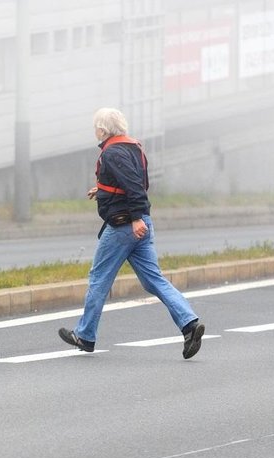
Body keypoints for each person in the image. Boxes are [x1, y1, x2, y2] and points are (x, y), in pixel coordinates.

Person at [58, 107, 205, 359]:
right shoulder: (130, 148)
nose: (94, 130)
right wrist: (102, 190)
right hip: (140, 223)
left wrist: (135, 218)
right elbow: (128, 182)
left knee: (98, 278)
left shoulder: (113, 152)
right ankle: (190, 325)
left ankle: (85, 335)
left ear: (103, 130)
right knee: (153, 280)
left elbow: (135, 187)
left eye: (96, 127)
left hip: (124, 225)